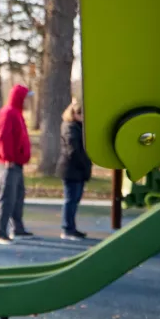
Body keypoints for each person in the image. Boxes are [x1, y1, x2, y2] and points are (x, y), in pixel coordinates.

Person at [0, 84, 35, 244]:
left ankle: (17, 228)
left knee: (18, 195)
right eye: (26, 98)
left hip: (16, 162)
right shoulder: (8, 113)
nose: (27, 101)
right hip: (8, 163)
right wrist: (8, 158)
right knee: (7, 197)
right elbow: (3, 137)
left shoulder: (17, 113)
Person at [56, 98, 92, 240]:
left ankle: (71, 227)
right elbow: (73, 149)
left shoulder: (77, 126)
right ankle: (67, 228)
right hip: (71, 168)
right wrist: (83, 163)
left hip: (78, 168)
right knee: (70, 199)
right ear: (74, 113)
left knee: (75, 199)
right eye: (80, 113)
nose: (82, 116)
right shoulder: (70, 127)